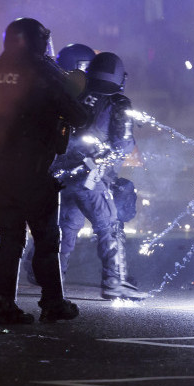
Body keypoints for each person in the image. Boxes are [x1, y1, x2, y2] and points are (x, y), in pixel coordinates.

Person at [0, 17, 91, 324]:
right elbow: (78, 116)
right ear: (36, 41)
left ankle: (3, 305)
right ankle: (53, 304)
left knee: (9, 237)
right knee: (46, 239)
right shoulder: (42, 74)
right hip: (34, 170)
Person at [52, 52, 149, 301]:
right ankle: (114, 282)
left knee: (65, 231)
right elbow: (122, 145)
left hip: (64, 177)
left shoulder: (76, 96)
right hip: (92, 178)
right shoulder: (118, 103)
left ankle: (53, 282)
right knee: (109, 227)